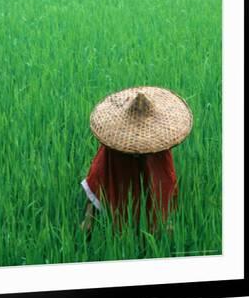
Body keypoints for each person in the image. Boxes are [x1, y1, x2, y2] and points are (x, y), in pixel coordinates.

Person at [81, 87, 193, 232]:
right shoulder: (114, 150)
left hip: (135, 166)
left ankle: (155, 224)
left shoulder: (155, 152)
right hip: (121, 165)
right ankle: (154, 225)